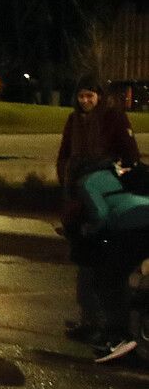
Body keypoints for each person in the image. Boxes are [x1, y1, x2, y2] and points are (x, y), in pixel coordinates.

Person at [55, 77, 141, 352]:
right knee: (83, 262)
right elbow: (64, 153)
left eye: (90, 96)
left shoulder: (114, 119)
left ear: (99, 96)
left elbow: (130, 157)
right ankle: (89, 320)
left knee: (100, 264)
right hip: (76, 199)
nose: (85, 101)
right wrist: (65, 177)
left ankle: (106, 325)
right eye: (81, 96)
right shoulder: (73, 121)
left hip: (100, 199)